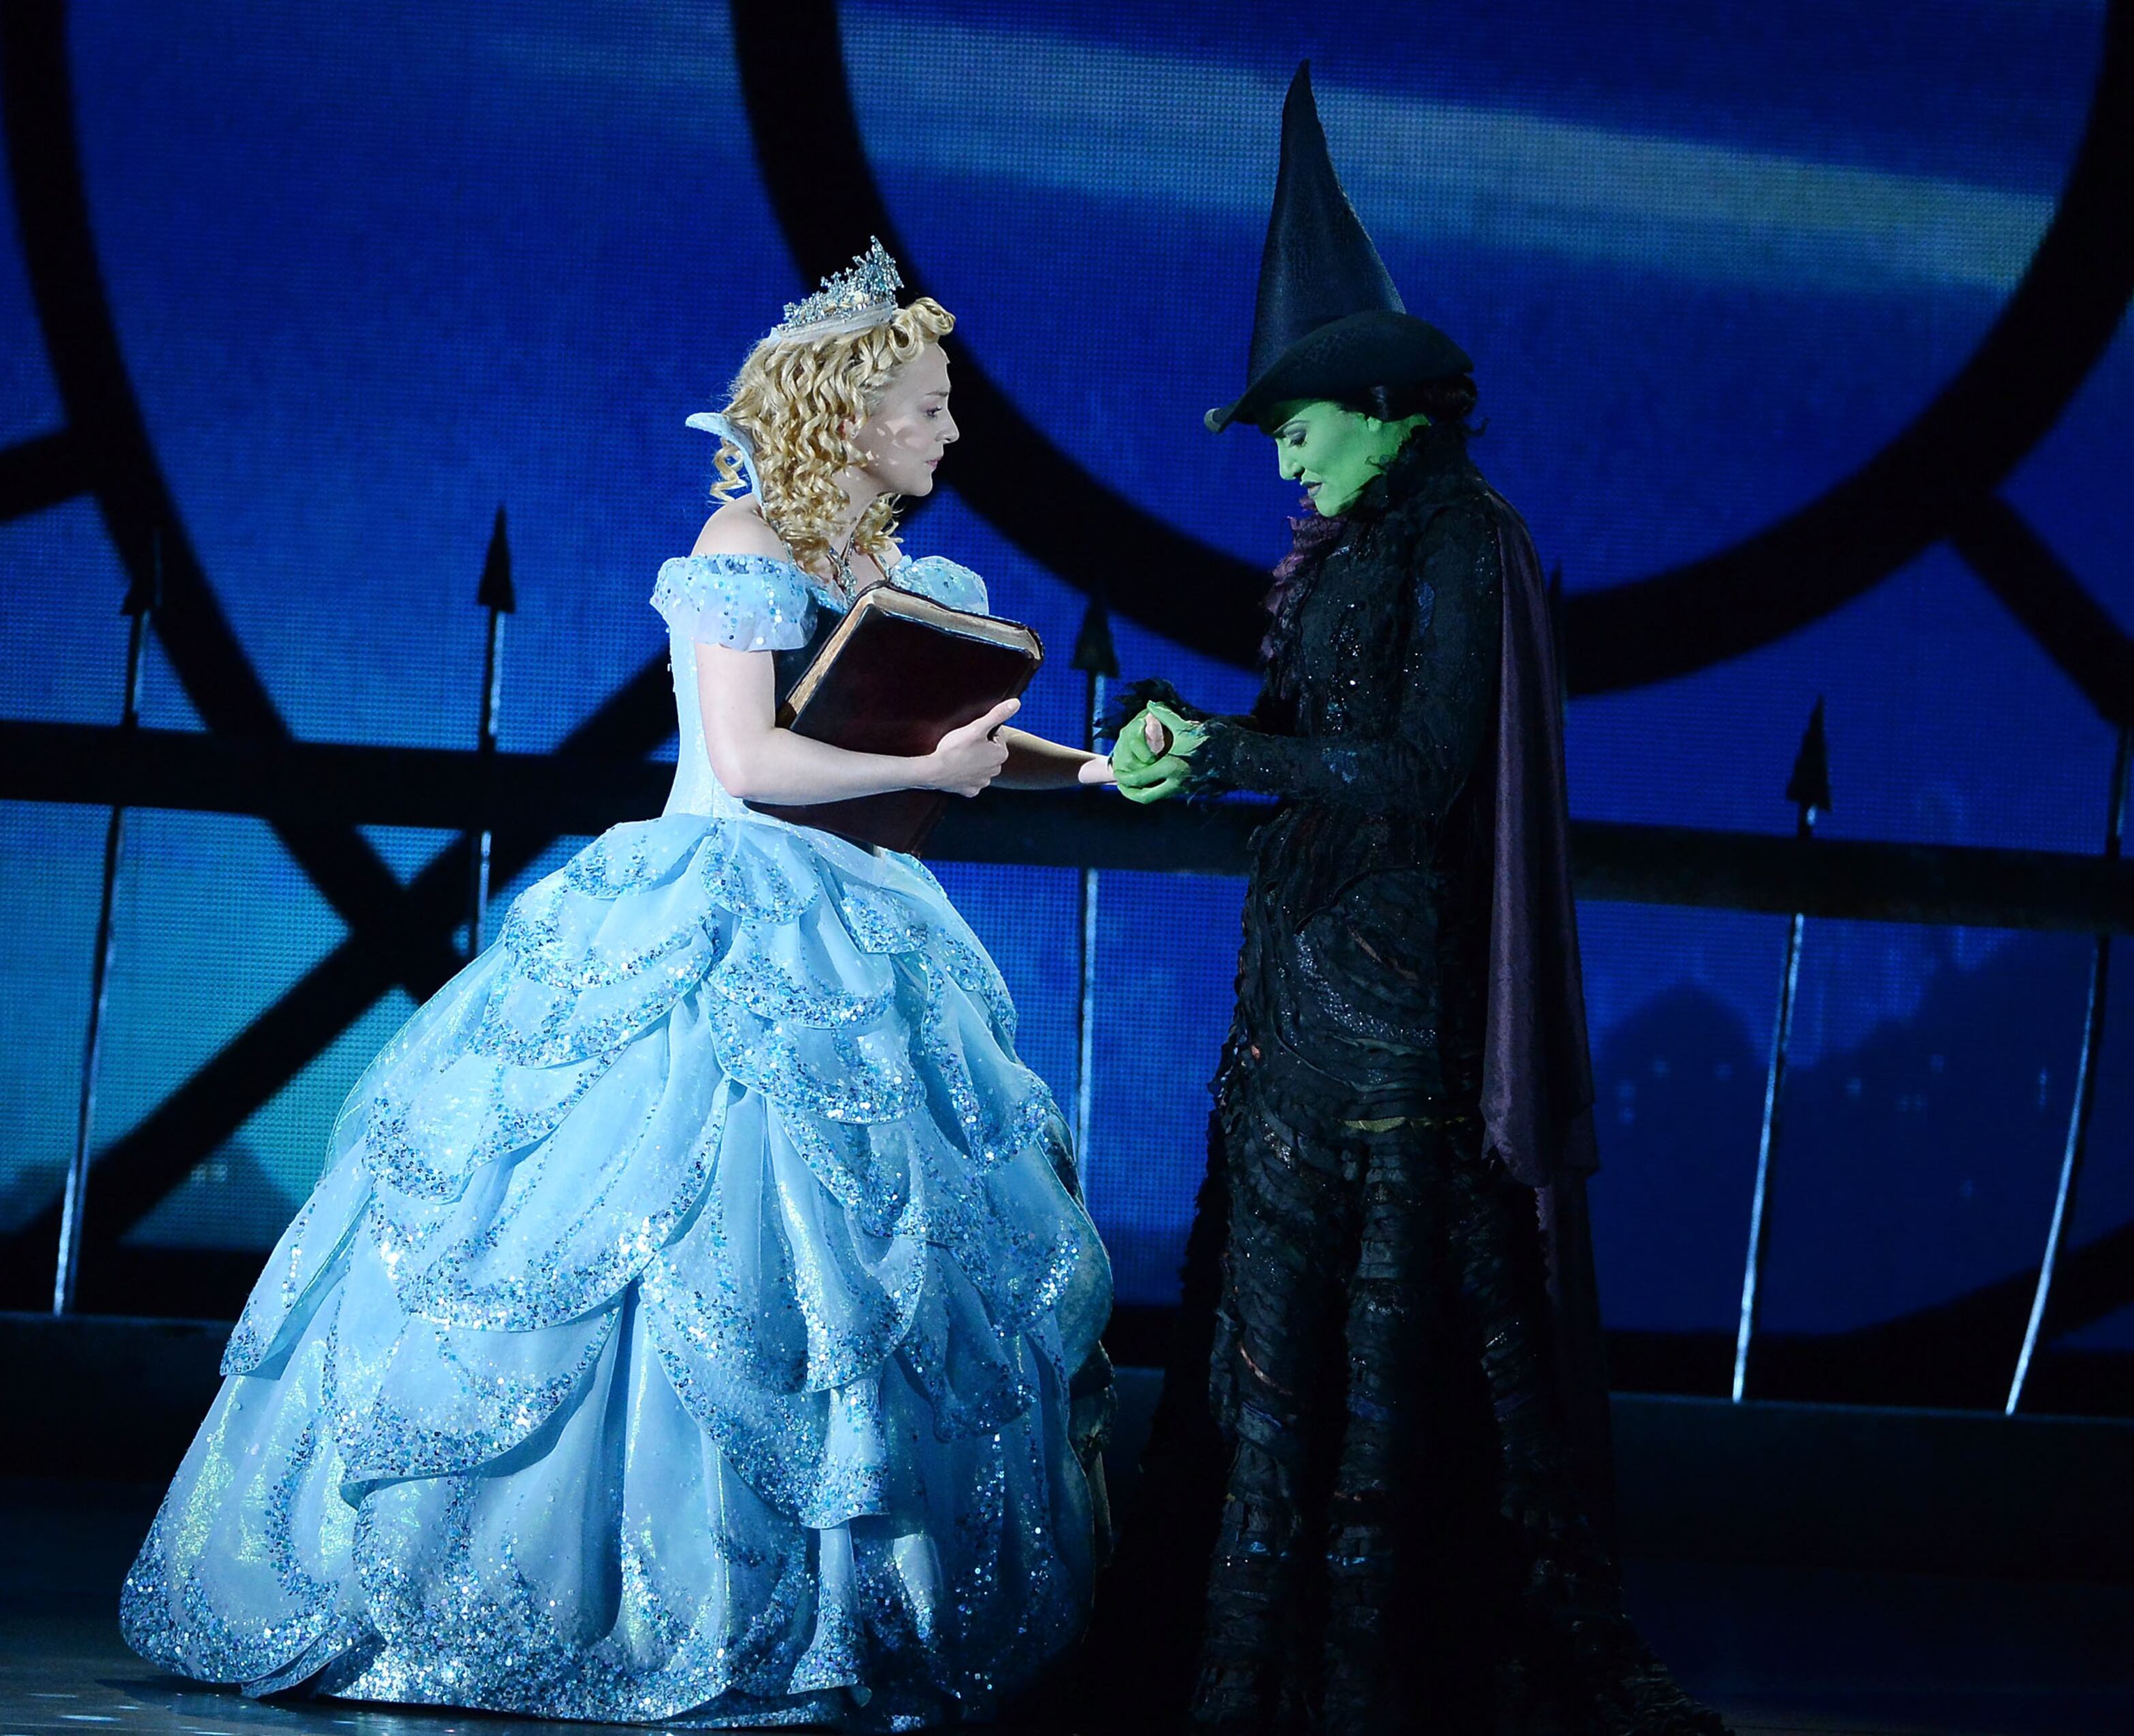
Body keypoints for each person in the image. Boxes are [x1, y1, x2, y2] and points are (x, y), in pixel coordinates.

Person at [121, 239, 1118, 1731]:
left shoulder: (900, 576)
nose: (950, 429)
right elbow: (751, 760)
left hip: (856, 918)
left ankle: (845, 1605)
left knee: (858, 1254)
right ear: (849, 416)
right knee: (645, 1215)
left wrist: (1084, 767)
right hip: (715, 904)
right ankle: (577, 1587)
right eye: (926, 406)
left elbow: (949, 732)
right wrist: (937, 770)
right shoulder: (746, 544)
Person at [1090, 68, 1727, 1733]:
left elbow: (1430, 765)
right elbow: (1308, 740)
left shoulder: (1462, 538)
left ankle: (1366, 1682)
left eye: (1296, 425)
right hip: (1296, 1013)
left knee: (1395, 1356)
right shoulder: (1349, 548)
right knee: (1266, 1359)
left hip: (1392, 1029)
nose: (1283, 458)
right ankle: (1249, 1676)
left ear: (1377, 401)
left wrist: (1239, 747)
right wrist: (1187, 741)